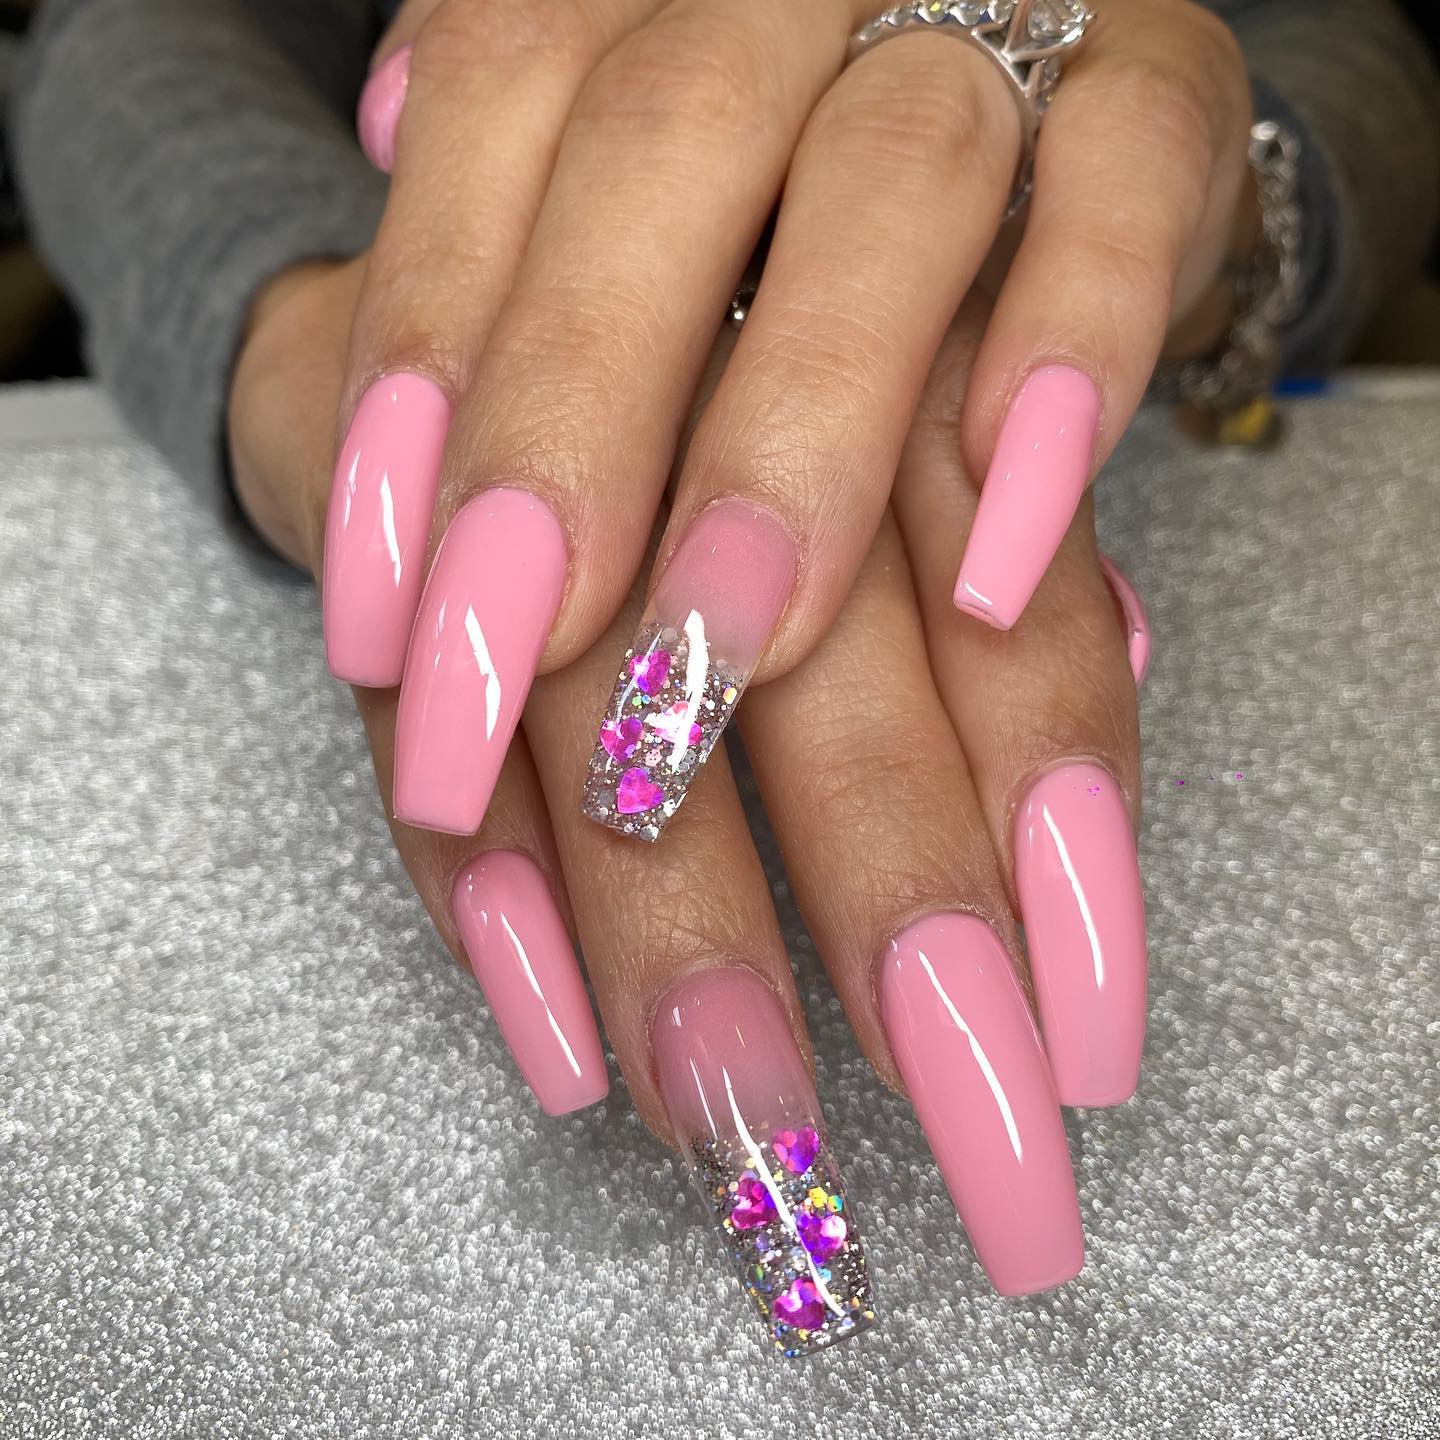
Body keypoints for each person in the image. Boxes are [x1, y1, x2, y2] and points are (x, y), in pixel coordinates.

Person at [14, 0, 1438, 1357]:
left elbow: (1351, 51)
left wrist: (1210, 204)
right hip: (467, 289)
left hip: (1016, 343)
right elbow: (138, 38)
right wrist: (287, 298)